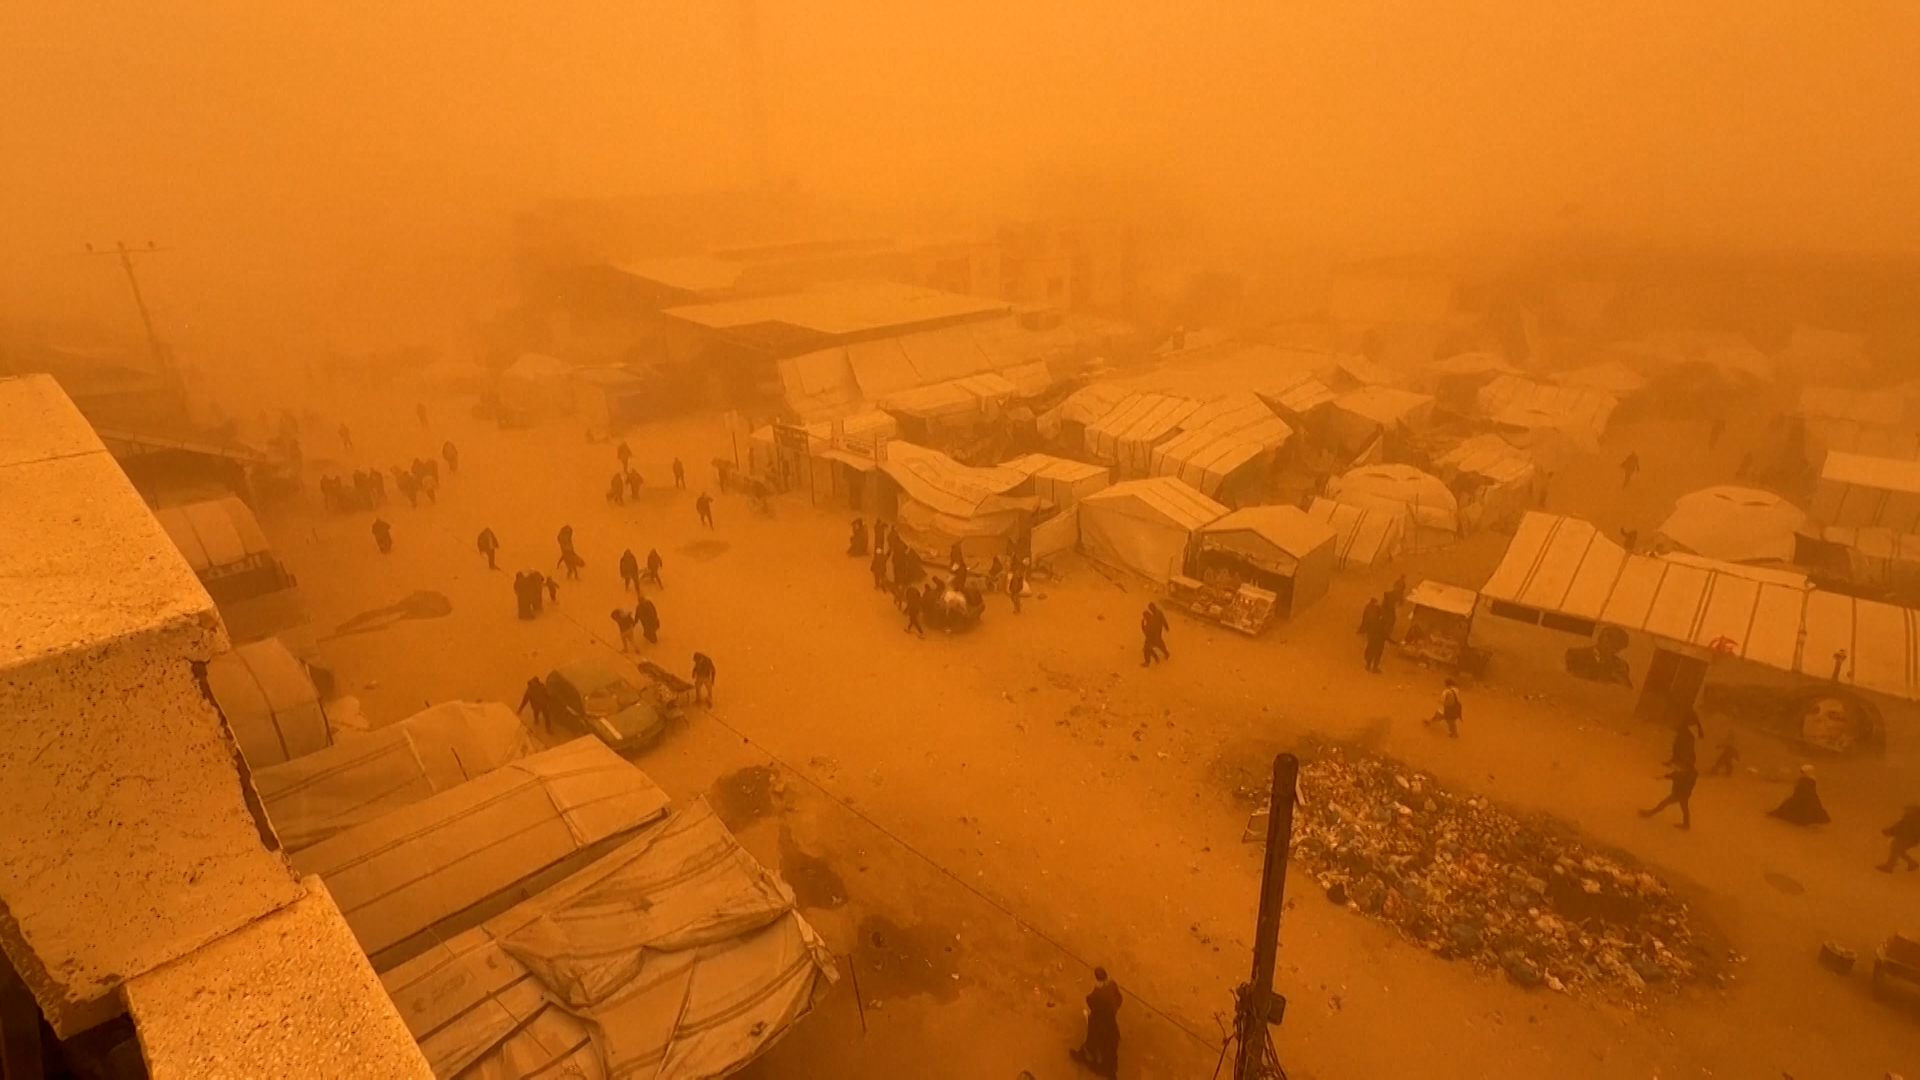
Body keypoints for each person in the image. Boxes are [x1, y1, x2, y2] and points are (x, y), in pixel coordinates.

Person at [1070, 967, 1122, 1078]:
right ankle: (1111, 1071)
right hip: (1110, 1022)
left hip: (1098, 1022)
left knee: (1091, 1041)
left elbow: (1092, 1003)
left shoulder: (1098, 994)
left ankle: (1083, 1057)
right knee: (1110, 1046)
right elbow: (1119, 999)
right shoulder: (1112, 984)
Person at [1640, 763, 1698, 829]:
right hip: (1683, 794)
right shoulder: (1689, 773)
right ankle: (1686, 824)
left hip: (1679, 794)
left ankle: (1651, 813)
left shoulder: (1685, 775)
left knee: (1665, 802)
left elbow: (1677, 777)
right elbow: (1675, 775)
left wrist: (1666, 777)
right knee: (1684, 808)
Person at [1878, 805, 1920, 872]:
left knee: (1895, 847)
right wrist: (1890, 830)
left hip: (1909, 839)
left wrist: (1891, 831)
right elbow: (1899, 826)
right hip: (1906, 838)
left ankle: (1889, 866)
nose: (1906, 811)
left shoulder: (1915, 819)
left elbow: (1905, 829)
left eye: (1909, 809)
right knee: (1897, 848)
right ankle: (1912, 863)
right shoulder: (1908, 818)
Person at [1360, 598, 1391, 673]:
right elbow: (1385, 635)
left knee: (1370, 653)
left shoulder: (1373, 622)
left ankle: (1368, 666)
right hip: (1379, 643)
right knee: (1377, 655)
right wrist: (1393, 642)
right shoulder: (1382, 624)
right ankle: (1374, 668)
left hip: (1372, 641)